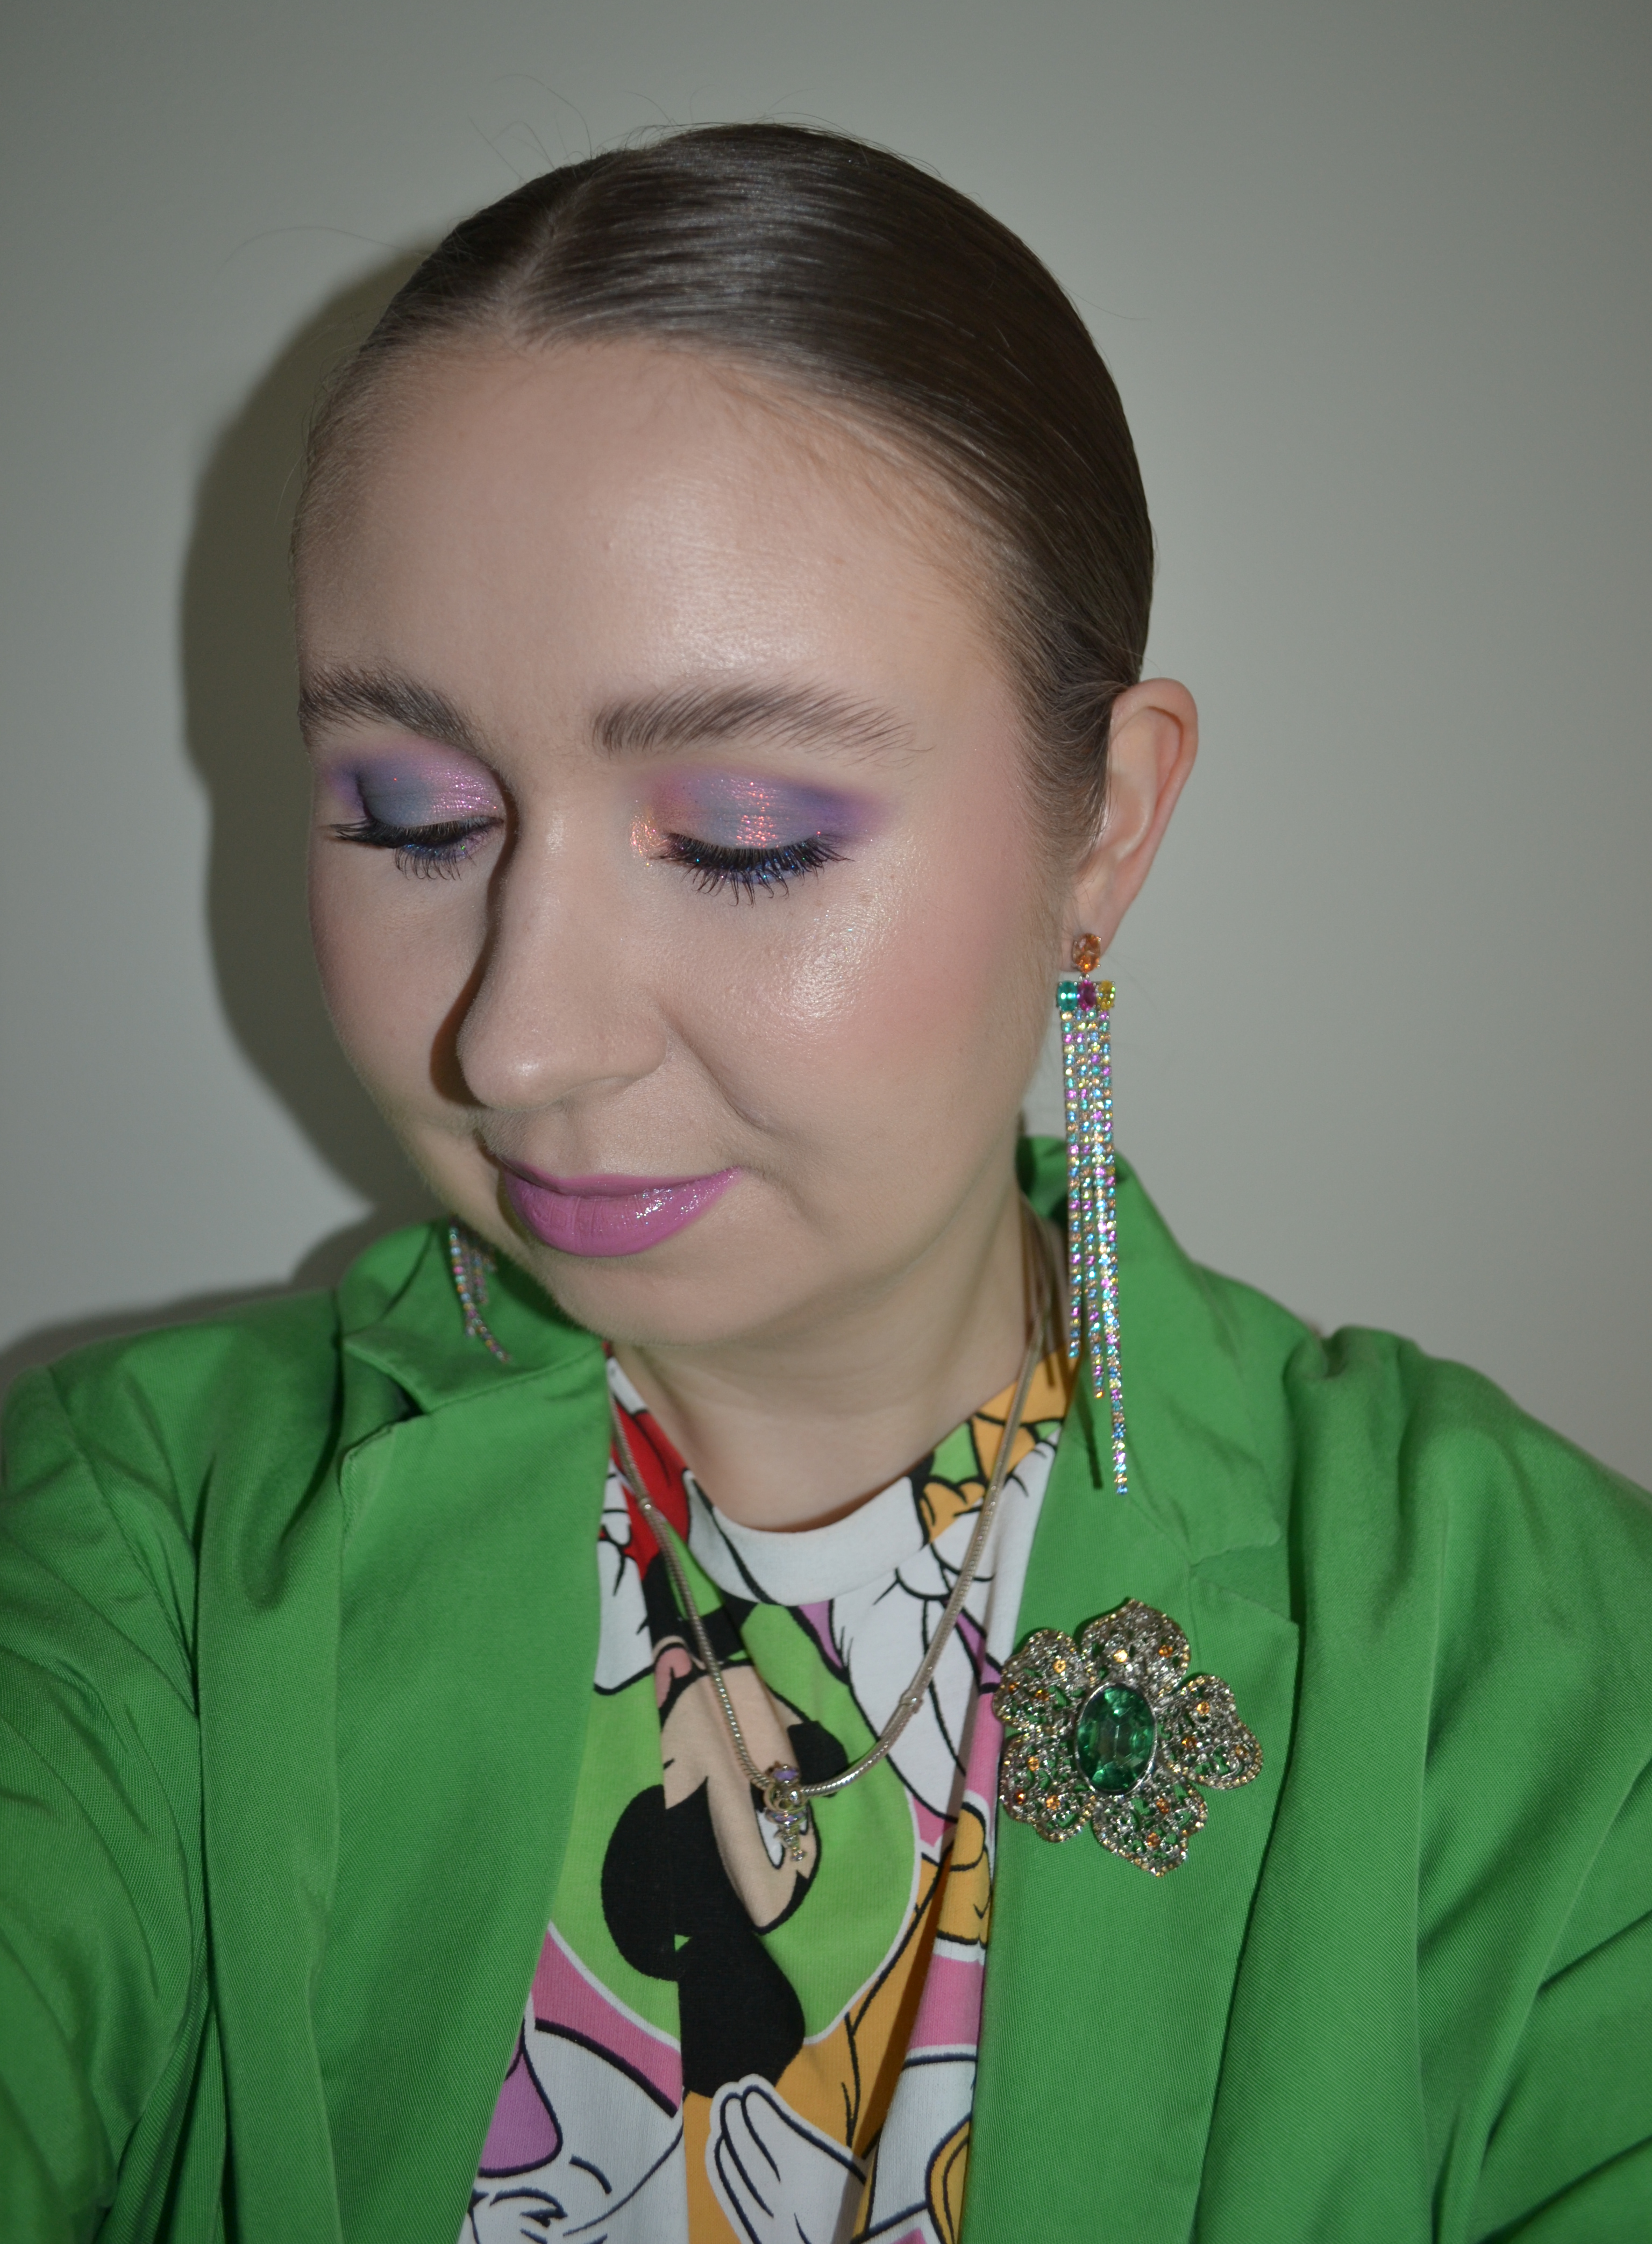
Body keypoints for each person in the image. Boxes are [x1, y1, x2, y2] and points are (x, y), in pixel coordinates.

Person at [2, 125, 1648, 2244]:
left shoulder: (1533, 1668)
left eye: (745, 837)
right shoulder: (136, 1542)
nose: (518, 1044)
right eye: (413, 816)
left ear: (1105, 826)